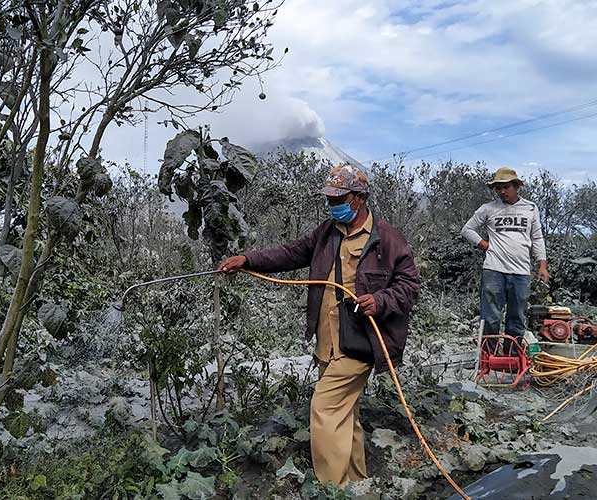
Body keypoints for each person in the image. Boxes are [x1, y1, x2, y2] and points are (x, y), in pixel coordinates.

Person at [217, 163, 420, 487]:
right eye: (328, 199)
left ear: (358, 198)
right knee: (344, 412)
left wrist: (379, 301)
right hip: (328, 341)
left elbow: (410, 287)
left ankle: (333, 490)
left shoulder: (387, 239)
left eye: (337, 198)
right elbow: (290, 253)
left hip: (361, 340)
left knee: (325, 409)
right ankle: (357, 483)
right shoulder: (326, 233)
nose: (331, 205)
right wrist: (248, 259)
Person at [462, 167, 549, 352]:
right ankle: (489, 356)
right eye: (498, 188)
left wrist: (542, 264)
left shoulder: (530, 208)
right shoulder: (488, 209)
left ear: (516, 186)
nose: (502, 191)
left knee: (517, 317)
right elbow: (467, 229)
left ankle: (512, 356)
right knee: (491, 316)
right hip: (494, 270)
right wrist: (484, 245)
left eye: (506, 186)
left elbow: (537, 237)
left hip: (521, 272)